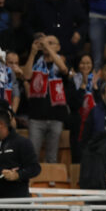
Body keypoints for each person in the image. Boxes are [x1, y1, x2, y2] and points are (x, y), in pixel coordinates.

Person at [22, 35, 69, 164]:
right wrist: (32, 52)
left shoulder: (62, 61)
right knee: (32, 156)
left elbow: (64, 69)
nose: (46, 45)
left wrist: (47, 47)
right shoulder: (37, 62)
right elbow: (26, 75)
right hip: (36, 118)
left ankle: (51, 183)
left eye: (51, 43)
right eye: (44, 43)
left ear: (58, 47)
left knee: (51, 157)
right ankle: (30, 183)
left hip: (56, 117)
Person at [0, 108, 41, 199]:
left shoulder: (22, 142)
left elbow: (35, 168)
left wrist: (18, 175)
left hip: (17, 203)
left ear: (1, 125)